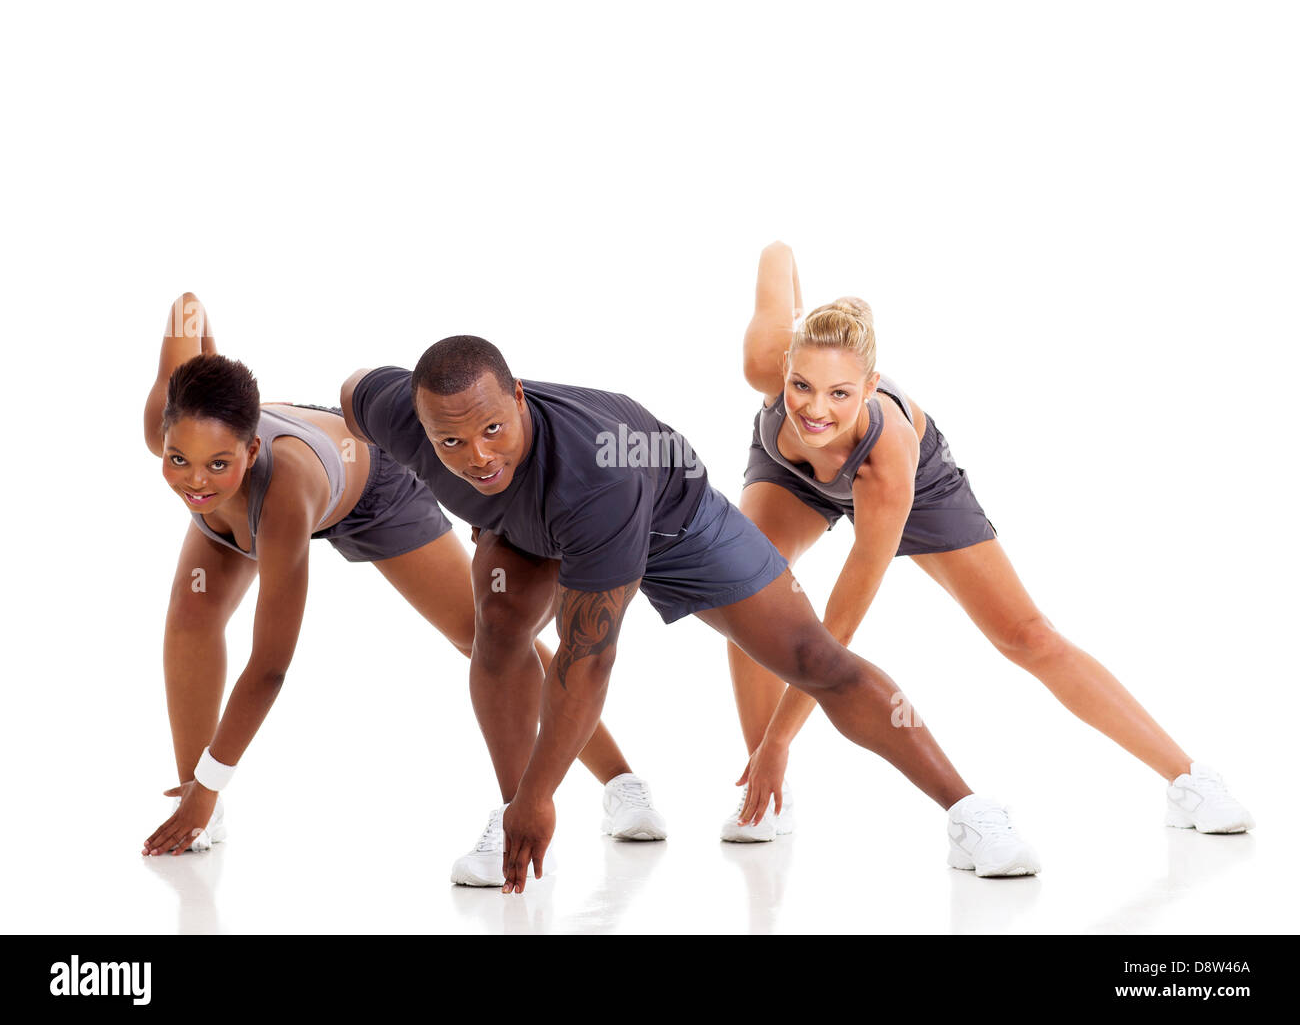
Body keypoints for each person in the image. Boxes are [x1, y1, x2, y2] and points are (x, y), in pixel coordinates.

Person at [342, 337, 1043, 889]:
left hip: (670, 518)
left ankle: (969, 811)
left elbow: (590, 661)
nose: (477, 457)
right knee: (496, 630)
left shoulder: (596, 475)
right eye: (451, 442)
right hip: (536, 527)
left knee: (815, 660)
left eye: (493, 429)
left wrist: (544, 792)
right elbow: (351, 391)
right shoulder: (391, 409)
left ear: (519, 398)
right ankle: (520, 821)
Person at [721, 242, 1253, 843]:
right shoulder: (765, 361)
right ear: (784, 363)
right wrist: (806, 314)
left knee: (1027, 636)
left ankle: (1189, 780)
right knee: (749, 596)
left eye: (839, 392)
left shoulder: (889, 460)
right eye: (801, 385)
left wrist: (783, 741)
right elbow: (777, 253)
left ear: (869, 386)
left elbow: (837, 630)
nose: (815, 410)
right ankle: (765, 793)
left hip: (911, 486)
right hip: (789, 478)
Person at [141, 294, 665, 882]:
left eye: (216, 462)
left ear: (251, 447)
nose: (191, 480)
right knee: (190, 619)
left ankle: (623, 784)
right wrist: (211, 382)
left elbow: (270, 666)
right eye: (176, 458)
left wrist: (220, 781)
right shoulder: (175, 428)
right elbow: (188, 307)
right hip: (238, 509)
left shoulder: (285, 490)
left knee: (489, 637)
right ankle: (194, 807)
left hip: (369, 490)